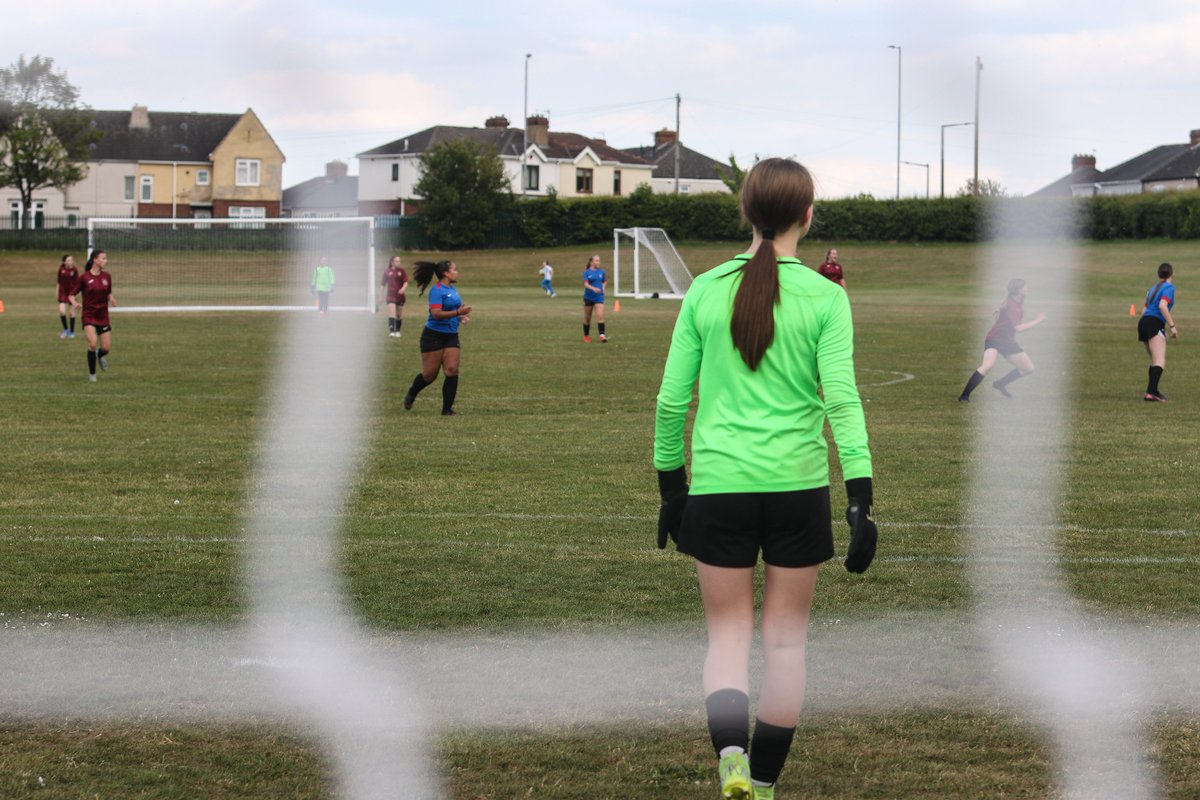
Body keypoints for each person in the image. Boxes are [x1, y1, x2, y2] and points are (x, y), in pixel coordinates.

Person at [654, 157, 876, 800]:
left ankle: (730, 756)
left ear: (745, 213)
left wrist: (673, 486)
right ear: (808, 216)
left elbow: (673, 402)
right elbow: (843, 400)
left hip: (719, 488)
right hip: (796, 490)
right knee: (784, 646)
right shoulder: (827, 296)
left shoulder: (703, 289)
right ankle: (764, 783)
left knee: (727, 636)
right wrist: (860, 498)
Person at [958, 278, 1046, 402]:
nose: (1028, 289)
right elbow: (1018, 328)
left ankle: (1000, 384)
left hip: (1008, 341)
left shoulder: (1018, 299)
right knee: (987, 366)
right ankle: (964, 396)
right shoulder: (1012, 305)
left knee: (1028, 368)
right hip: (994, 339)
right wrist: (1037, 321)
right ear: (1018, 290)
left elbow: (1005, 304)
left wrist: (1000, 310)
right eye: (1025, 287)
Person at [403, 260, 470, 416]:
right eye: (455, 269)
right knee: (429, 375)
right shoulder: (437, 290)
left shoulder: (452, 289)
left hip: (451, 335)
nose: (457, 272)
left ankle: (447, 410)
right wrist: (458, 313)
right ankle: (412, 392)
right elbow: (436, 314)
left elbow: (454, 310)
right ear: (446, 273)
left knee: (452, 370)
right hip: (433, 336)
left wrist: (461, 317)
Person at [72, 248, 117, 383]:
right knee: (92, 343)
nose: (105, 261)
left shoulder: (107, 277)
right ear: (95, 260)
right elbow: (71, 294)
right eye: (103, 258)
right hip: (89, 315)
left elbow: (108, 292)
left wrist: (111, 298)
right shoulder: (84, 277)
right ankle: (92, 375)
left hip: (103, 315)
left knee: (106, 348)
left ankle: (98, 355)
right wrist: (75, 303)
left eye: (105, 258)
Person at [1138, 262, 1178, 402]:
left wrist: (1158, 329)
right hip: (1153, 323)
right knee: (1160, 360)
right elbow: (1162, 306)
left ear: (1158, 275)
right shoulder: (1169, 287)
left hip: (1143, 322)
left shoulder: (1152, 288)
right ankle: (1150, 393)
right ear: (1172, 274)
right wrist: (1172, 326)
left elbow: (1144, 310)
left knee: (1155, 359)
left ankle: (1153, 391)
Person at [381, 255, 410, 337]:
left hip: (400, 296)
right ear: (392, 262)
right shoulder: (387, 271)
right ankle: (391, 331)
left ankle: (397, 331)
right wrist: (381, 295)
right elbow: (382, 284)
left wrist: (403, 289)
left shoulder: (402, 271)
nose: (399, 263)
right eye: (397, 261)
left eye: (399, 261)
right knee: (391, 312)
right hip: (390, 296)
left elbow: (406, 282)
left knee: (399, 314)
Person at [582, 254, 607, 342]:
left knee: (600, 316)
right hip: (588, 297)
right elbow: (585, 284)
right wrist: (593, 288)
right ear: (592, 262)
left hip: (599, 297)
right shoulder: (586, 272)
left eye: (599, 260)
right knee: (587, 318)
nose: (598, 262)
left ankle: (602, 336)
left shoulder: (602, 272)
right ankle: (586, 336)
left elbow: (604, 281)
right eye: (596, 260)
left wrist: (603, 288)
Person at [56, 254, 79, 339]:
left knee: (71, 313)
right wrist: (56, 292)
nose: (71, 262)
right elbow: (58, 282)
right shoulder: (61, 269)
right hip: (62, 292)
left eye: (71, 260)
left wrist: (75, 295)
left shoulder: (74, 270)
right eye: (69, 260)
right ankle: (65, 329)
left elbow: (77, 284)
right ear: (64, 262)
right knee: (62, 311)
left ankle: (72, 332)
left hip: (71, 293)